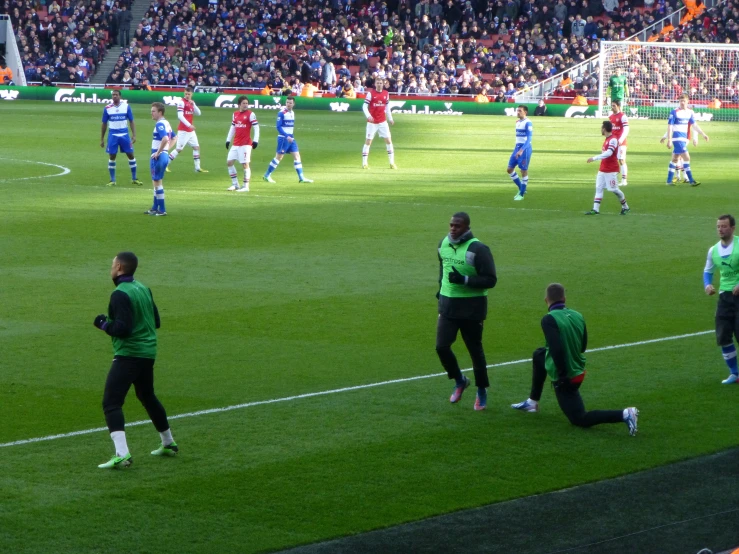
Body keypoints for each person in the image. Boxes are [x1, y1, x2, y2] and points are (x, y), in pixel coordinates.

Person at [511, 283, 639, 436]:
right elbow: (582, 346)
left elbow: (556, 349)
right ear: (564, 299)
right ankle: (532, 402)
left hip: (568, 376)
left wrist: (562, 375)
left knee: (579, 419)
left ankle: (624, 414)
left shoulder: (549, 319)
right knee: (539, 355)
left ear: (546, 300)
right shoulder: (578, 315)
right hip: (577, 367)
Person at [93, 251, 178, 469]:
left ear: (120, 267)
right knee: (146, 395)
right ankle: (168, 442)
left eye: (112, 264)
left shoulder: (120, 294)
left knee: (111, 403)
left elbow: (122, 328)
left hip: (128, 355)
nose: (111, 268)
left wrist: (103, 324)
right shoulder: (143, 288)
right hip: (148, 353)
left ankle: (122, 454)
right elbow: (156, 321)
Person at [436, 212, 497, 411]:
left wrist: (464, 280)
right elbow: (443, 270)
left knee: (475, 351)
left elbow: (490, 280)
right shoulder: (443, 244)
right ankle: (460, 380)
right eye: (451, 225)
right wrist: (440, 291)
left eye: (458, 226)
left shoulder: (478, 249)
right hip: (448, 307)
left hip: (472, 309)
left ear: (467, 227)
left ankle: (481, 391)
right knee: (441, 347)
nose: (453, 229)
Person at [703, 214, 739, 384]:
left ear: (732, 228)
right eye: (718, 226)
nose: (720, 229)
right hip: (725, 297)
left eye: (724, 226)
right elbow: (708, 271)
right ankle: (735, 373)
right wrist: (707, 285)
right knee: (723, 335)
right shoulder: (713, 250)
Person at [660, 94, 709, 187]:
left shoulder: (690, 112)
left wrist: (703, 134)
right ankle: (691, 180)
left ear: (688, 101)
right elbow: (670, 127)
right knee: (687, 158)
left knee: (674, 159)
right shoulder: (674, 112)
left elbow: (694, 125)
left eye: (684, 101)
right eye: (681, 101)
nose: (682, 103)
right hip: (677, 138)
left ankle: (669, 181)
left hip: (684, 138)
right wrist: (669, 139)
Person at [262, 97, 313, 184]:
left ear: (293, 104)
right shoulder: (282, 113)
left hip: (291, 138)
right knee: (279, 157)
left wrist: (291, 137)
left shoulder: (292, 113)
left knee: (297, 156)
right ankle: (267, 175)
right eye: (287, 102)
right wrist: (286, 136)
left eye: (290, 103)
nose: (288, 104)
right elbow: (278, 126)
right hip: (283, 138)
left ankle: (301, 178)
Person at [584, 120, 630, 215]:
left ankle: (625, 206)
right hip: (603, 168)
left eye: (602, 128)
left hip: (611, 169)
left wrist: (594, 158)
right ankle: (595, 209)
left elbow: (609, 153)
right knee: (598, 188)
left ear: (604, 129)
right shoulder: (607, 139)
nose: (601, 130)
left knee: (614, 189)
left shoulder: (613, 139)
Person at [101, 90, 143, 187]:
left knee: (130, 155)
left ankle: (134, 178)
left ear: (120, 96)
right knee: (112, 156)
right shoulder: (107, 108)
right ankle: (112, 180)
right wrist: (102, 139)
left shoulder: (126, 106)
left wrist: (134, 135)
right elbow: (104, 124)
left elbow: (131, 121)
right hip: (113, 135)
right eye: (113, 95)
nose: (114, 96)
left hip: (124, 134)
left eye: (116, 95)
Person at [167, 86, 208, 173]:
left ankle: (197, 168)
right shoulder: (181, 102)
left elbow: (198, 113)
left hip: (190, 131)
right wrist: (189, 125)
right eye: (185, 94)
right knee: (179, 149)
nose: (187, 95)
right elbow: (180, 116)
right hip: (183, 130)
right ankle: (165, 164)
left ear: (192, 94)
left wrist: (194, 105)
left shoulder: (190, 102)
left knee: (196, 147)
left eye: (188, 94)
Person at [226, 95, 260, 192]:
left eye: (246, 103)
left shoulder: (251, 114)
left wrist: (256, 140)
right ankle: (235, 184)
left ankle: (246, 186)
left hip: (246, 144)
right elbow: (233, 127)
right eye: (243, 103)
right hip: (236, 143)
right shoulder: (235, 114)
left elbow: (256, 128)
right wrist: (228, 140)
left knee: (245, 164)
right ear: (239, 104)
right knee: (229, 162)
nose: (245, 105)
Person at [362, 76, 396, 169]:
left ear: (383, 84)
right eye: (378, 83)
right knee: (368, 142)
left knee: (389, 141)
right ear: (375, 84)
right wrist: (369, 116)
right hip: (372, 122)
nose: (379, 84)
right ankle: (364, 163)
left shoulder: (386, 93)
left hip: (382, 122)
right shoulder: (370, 94)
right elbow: (364, 106)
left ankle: (392, 163)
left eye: (381, 83)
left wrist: (390, 118)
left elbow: (387, 107)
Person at [144, 102, 172, 216]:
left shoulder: (160, 124)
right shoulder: (167, 123)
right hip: (163, 155)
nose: (151, 113)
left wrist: (158, 152)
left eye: (153, 111)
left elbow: (165, 138)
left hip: (159, 157)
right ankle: (155, 208)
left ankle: (162, 209)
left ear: (160, 112)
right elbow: (174, 137)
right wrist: (166, 150)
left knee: (157, 183)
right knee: (156, 182)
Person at [507, 105, 533, 201]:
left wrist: (522, 150)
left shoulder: (528, 123)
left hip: (524, 149)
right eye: (517, 110)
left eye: (520, 111)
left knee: (523, 171)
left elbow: (529, 138)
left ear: (525, 112)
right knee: (509, 169)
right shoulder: (518, 122)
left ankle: (521, 194)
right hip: (517, 148)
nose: (517, 112)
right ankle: (521, 188)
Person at [608, 99, 630, 187]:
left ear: (618, 106)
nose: (612, 107)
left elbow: (626, 129)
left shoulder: (623, 116)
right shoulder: (611, 117)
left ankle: (624, 180)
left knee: (621, 160)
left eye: (614, 105)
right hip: (613, 142)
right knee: (612, 160)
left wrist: (621, 139)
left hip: (621, 143)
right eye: (612, 105)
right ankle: (613, 179)